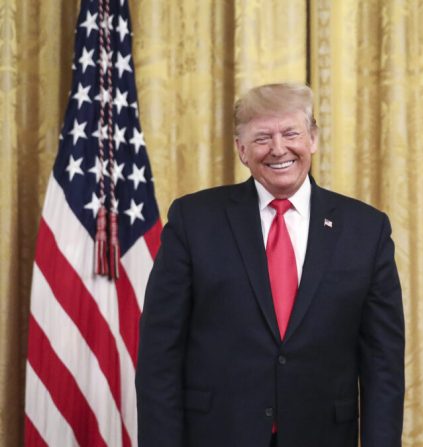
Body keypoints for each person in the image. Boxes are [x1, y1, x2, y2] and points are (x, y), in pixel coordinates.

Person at [136, 83, 405, 446]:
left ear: (313, 138)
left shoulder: (366, 230)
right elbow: (159, 357)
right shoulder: (193, 221)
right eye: (262, 137)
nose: (279, 149)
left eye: (291, 133)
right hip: (218, 434)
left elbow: (383, 367)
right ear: (241, 150)